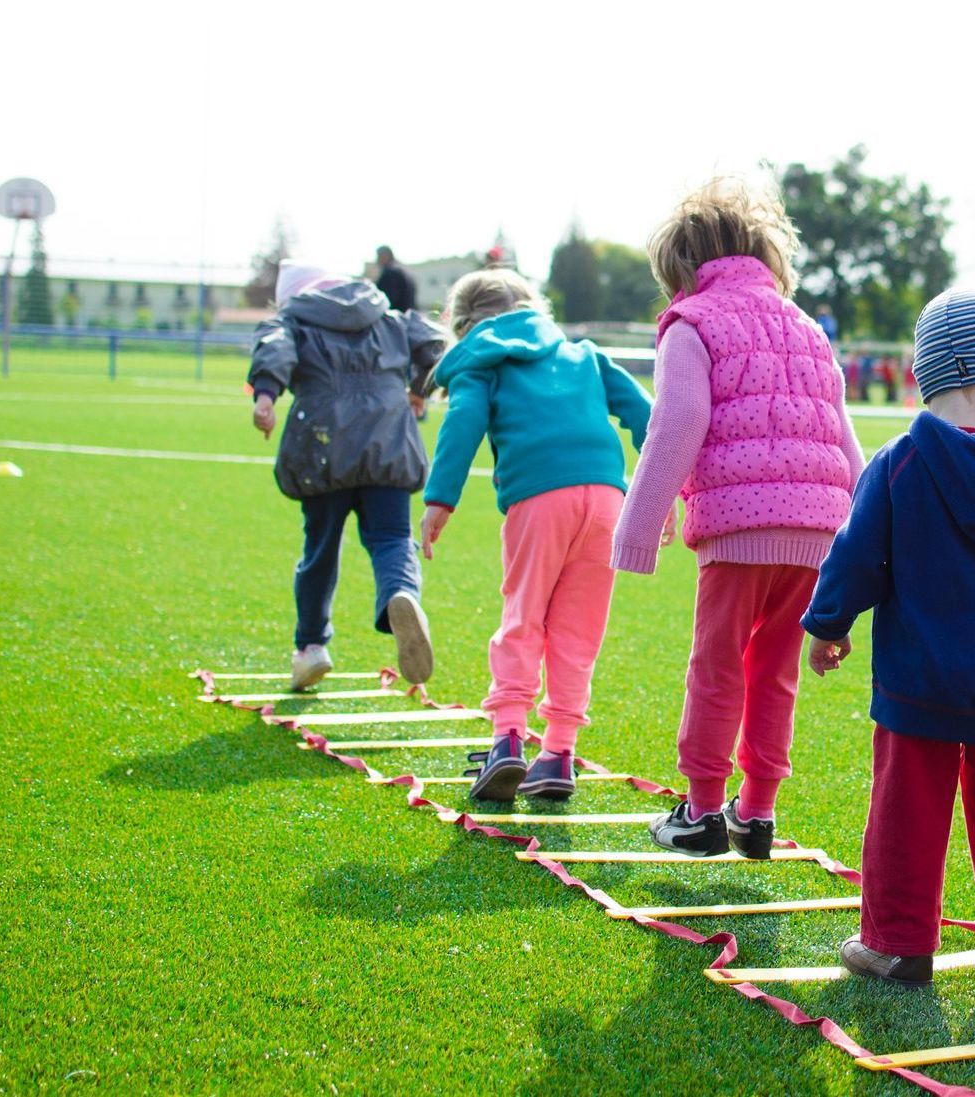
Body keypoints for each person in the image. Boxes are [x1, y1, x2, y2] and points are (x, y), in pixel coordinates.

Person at [802, 289, 975, 991]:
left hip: (917, 682)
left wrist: (828, 625)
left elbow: (855, 555)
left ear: (920, 376)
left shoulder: (900, 461)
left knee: (906, 813)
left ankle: (899, 942)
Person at [614, 177, 865, 858]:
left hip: (738, 527)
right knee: (774, 669)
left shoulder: (691, 323)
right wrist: (867, 544)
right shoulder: (807, 327)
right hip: (819, 531)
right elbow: (846, 440)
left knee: (717, 665)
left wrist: (640, 524)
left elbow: (680, 420)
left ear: (683, 268)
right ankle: (755, 811)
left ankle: (699, 811)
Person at [422, 269, 654, 802]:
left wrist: (440, 499)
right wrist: (661, 488)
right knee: (579, 630)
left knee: (523, 616)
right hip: (606, 500)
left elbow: (463, 422)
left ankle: (507, 739)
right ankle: (558, 753)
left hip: (539, 498)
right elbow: (647, 414)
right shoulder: (585, 355)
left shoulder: (482, 362)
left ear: (463, 325)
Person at [248, 260, 446, 691]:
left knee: (320, 547)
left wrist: (265, 395)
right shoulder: (385, 315)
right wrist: (418, 388)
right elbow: (433, 343)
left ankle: (312, 647)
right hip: (390, 443)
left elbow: (275, 346)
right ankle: (402, 594)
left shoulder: (295, 319)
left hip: (323, 448)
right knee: (392, 538)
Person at [373, 246, 417, 314]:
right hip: (408, 317)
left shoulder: (391, 273)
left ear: (385, 256)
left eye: (379, 256)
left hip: (396, 319)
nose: (377, 260)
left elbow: (387, 301)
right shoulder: (403, 270)